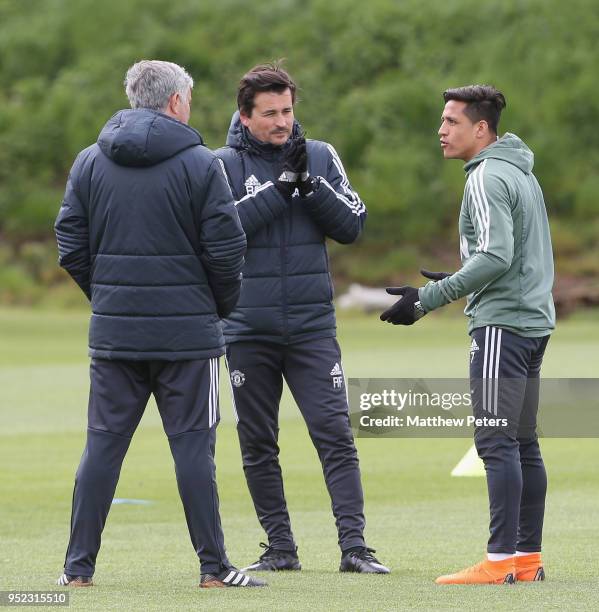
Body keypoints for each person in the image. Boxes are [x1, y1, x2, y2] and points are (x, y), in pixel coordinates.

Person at [54, 59, 266, 589]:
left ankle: (76, 572)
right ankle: (213, 570)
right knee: (195, 449)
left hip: (115, 336)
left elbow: (70, 245)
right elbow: (227, 249)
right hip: (188, 339)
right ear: (175, 102)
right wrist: (217, 307)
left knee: (101, 447)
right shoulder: (200, 163)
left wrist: (106, 297)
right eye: (188, 99)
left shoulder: (88, 162)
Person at [215, 62, 389, 574]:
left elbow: (353, 225)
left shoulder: (319, 154)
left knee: (334, 432)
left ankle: (355, 548)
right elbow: (225, 233)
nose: (282, 122)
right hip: (248, 327)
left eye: (287, 110)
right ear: (245, 116)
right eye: (269, 113)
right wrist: (281, 187)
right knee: (257, 440)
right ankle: (280, 548)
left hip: (312, 325)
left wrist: (307, 182)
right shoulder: (219, 165)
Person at [381, 85, 555, 584]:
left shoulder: (485, 177)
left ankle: (499, 562)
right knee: (523, 443)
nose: (441, 130)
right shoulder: (521, 173)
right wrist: (458, 277)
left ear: (481, 129)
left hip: (503, 324)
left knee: (496, 442)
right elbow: (514, 256)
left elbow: (497, 256)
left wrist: (427, 299)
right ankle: (526, 561)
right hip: (532, 322)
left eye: (451, 121)